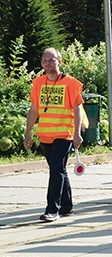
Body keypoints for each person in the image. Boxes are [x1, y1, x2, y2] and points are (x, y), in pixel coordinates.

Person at [24, 48, 84, 222]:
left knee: (56, 170)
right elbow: (34, 109)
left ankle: (52, 209)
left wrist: (76, 133)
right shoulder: (38, 83)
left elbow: (77, 108)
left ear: (60, 62)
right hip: (45, 134)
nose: (47, 63)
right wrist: (28, 133)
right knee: (59, 170)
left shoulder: (71, 83)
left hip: (64, 134)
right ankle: (66, 206)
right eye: (45, 60)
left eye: (51, 60)